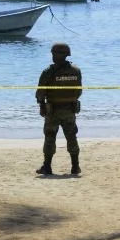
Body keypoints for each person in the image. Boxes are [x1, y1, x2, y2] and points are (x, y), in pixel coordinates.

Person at [36, 42, 83, 176]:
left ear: (55, 55)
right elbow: (79, 91)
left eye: (53, 53)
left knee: (50, 137)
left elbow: (40, 92)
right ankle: (75, 166)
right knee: (72, 137)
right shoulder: (75, 70)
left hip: (53, 111)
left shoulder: (48, 72)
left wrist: (41, 104)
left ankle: (47, 166)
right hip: (69, 110)